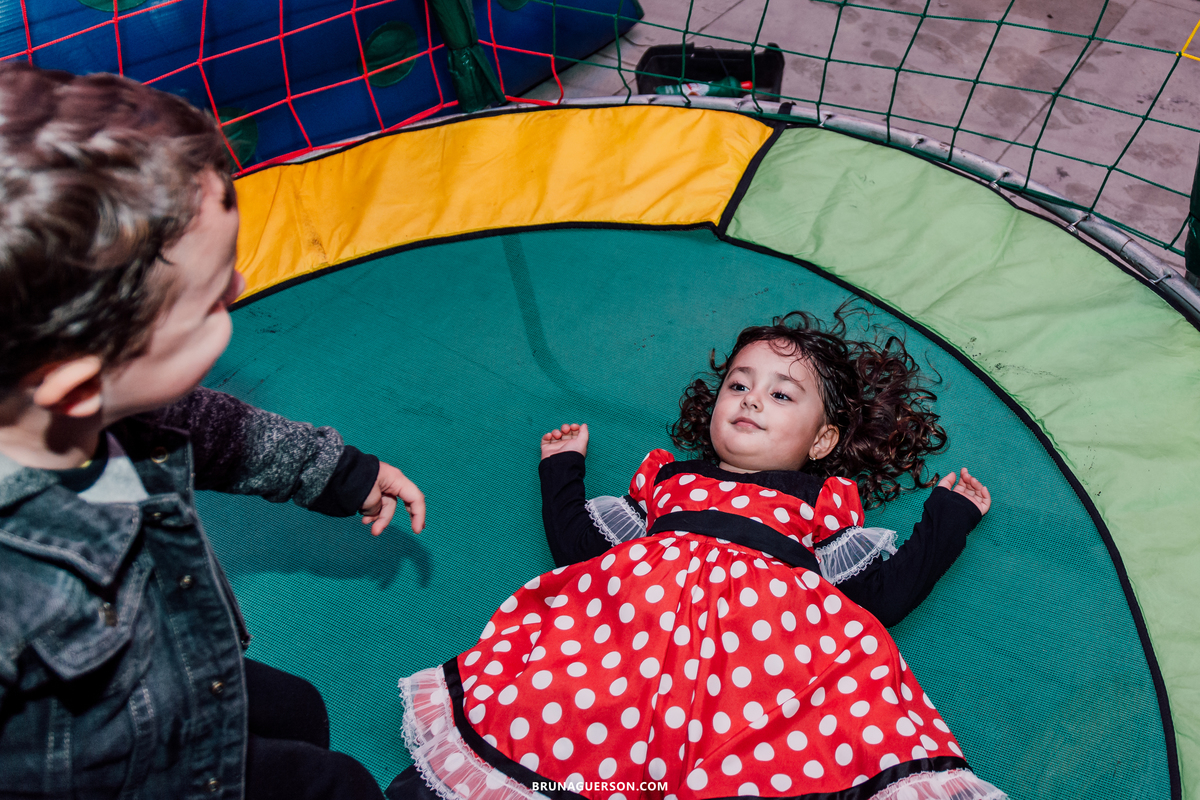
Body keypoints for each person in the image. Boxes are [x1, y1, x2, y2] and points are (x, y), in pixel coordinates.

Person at [0, 63, 424, 799]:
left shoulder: (89, 411)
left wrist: (340, 472)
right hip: (129, 774)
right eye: (210, 303)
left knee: (299, 711)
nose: (239, 289)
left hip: (175, 664)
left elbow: (211, 430)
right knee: (339, 787)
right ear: (78, 388)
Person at [390, 311, 1005, 800]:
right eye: (739, 384)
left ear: (822, 440)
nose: (751, 399)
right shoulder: (668, 480)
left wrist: (946, 522)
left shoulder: (819, 502)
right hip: (624, 665)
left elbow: (881, 599)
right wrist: (562, 472)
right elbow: (581, 555)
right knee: (551, 729)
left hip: (748, 686)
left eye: (781, 394)